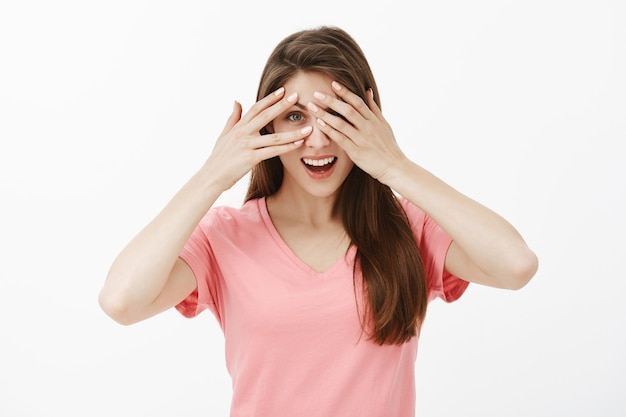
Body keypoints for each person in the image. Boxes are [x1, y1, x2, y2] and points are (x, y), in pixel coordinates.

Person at [99, 25, 538, 417]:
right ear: (266, 127)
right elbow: (121, 301)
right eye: (295, 117)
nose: (318, 138)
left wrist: (396, 165)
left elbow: (516, 265)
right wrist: (212, 175)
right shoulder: (224, 237)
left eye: (335, 116)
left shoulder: (410, 228)